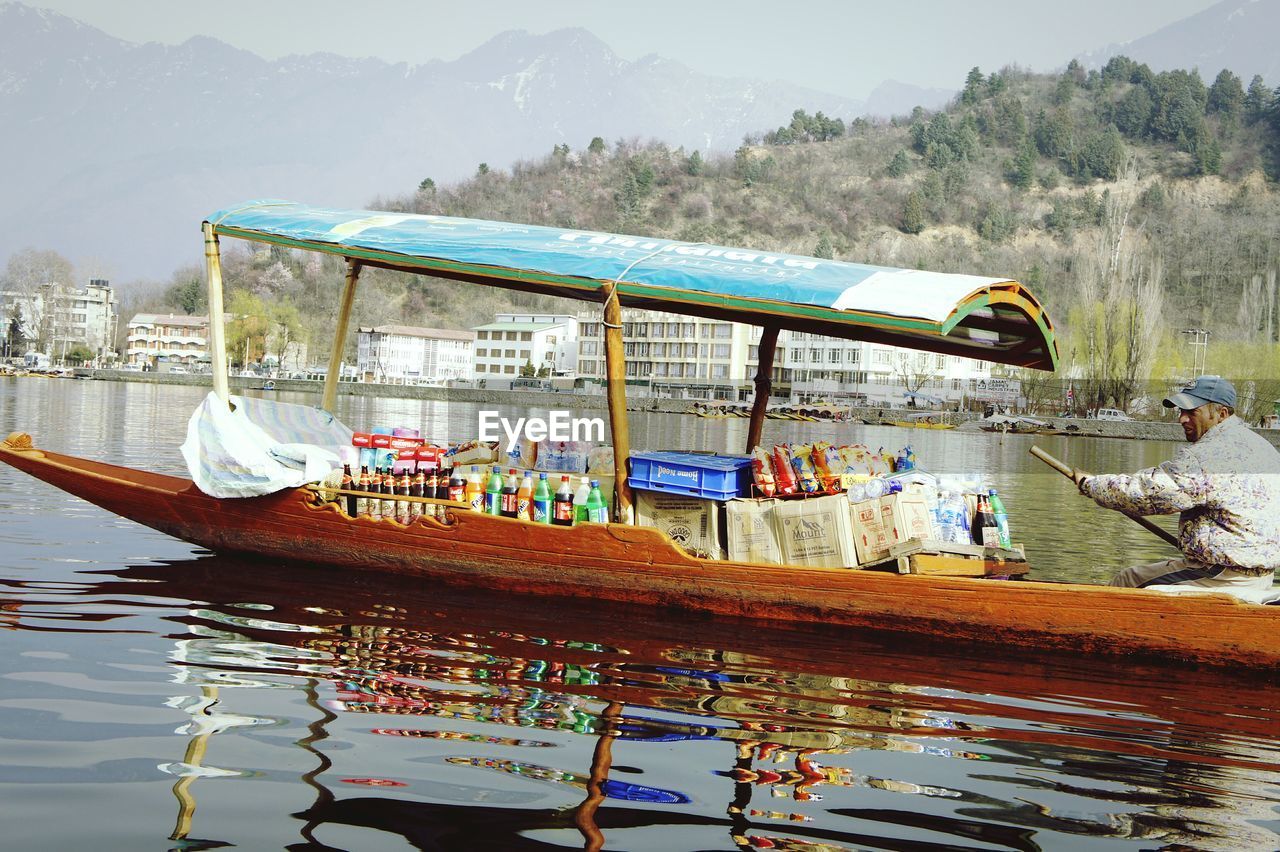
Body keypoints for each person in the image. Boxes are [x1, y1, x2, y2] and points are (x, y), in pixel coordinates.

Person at [1073, 376, 1280, 600]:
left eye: (1192, 412)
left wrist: (1090, 484)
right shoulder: (1263, 447)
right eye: (1181, 411)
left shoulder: (1207, 454)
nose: (1182, 419)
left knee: (1127, 580)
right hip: (1262, 573)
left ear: (1222, 414)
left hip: (1220, 574)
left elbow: (1147, 493)